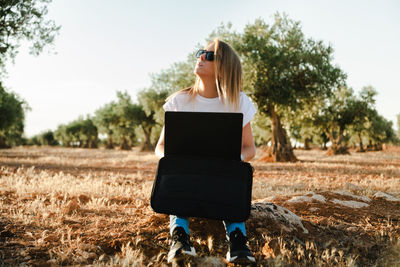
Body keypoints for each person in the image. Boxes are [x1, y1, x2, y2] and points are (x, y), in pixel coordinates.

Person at [155, 39, 257, 265]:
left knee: (238, 170)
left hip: (221, 176)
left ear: (224, 66)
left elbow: (249, 149)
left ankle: (238, 241)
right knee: (175, 170)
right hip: (185, 176)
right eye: (201, 53)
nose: (201, 57)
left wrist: (230, 160)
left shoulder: (239, 102)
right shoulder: (179, 101)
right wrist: (175, 159)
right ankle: (180, 237)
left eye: (209, 56)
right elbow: (159, 147)